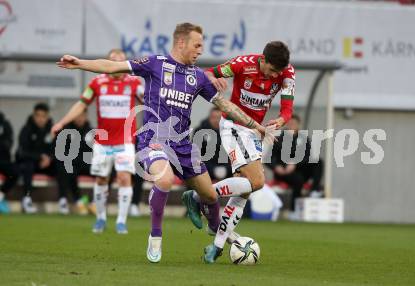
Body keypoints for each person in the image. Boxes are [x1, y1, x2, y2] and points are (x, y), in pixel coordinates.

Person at [55, 22, 272, 263]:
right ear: (181, 42)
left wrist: (255, 126)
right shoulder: (155, 64)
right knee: (165, 180)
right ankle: (155, 236)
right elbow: (112, 65)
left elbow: (225, 105)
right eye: (197, 45)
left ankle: (217, 231)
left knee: (210, 196)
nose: (201, 50)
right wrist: (80, 63)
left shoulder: (197, 76)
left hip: (183, 145)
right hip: (153, 140)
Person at [182, 41, 296, 262]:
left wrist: (281, 120)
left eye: (278, 72)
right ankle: (196, 196)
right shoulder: (242, 64)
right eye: (272, 70)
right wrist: (213, 78)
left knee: (243, 191)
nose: (275, 76)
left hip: (255, 132)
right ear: (263, 60)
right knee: (258, 182)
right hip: (234, 126)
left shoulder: (287, 73)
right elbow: (206, 74)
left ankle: (215, 247)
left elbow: (287, 108)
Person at [52, 49, 144, 234]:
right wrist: (62, 122)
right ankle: (101, 218)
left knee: (124, 177)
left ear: (125, 62)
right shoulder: (97, 82)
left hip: (125, 141)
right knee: (102, 179)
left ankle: (121, 221)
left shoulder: (134, 83)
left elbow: (150, 101)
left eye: (119, 61)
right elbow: (81, 104)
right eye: (112, 61)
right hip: (102, 142)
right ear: (107, 62)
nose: (116, 64)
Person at [269, 114, 323, 220]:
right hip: (283, 172)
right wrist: (276, 167)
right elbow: (269, 158)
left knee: (318, 162)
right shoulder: (279, 138)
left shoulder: (304, 139)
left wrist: (295, 163)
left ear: (298, 125)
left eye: (294, 124)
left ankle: (314, 190)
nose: (292, 125)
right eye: (290, 123)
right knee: (298, 180)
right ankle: (293, 211)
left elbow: (309, 156)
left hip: (299, 169)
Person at [16, 103, 55, 214]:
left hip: (46, 164)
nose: (40, 119)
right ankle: (26, 199)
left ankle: (64, 199)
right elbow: (22, 152)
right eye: (38, 115)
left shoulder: (52, 131)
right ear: (34, 116)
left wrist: (50, 158)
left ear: (47, 117)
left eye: (43, 116)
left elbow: (58, 149)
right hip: (30, 163)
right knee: (27, 166)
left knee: (63, 166)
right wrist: (40, 157)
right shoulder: (26, 130)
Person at [54, 109, 94, 215]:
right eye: (77, 115)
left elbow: (94, 152)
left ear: (86, 116)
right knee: (66, 168)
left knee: (106, 170)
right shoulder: (65, 130)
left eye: (82, 115)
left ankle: (95, 201)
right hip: (72, 163)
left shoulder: (91, 131)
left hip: (86, 163)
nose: (80, 118)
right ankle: (75, 200)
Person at [193, 107, 232, 181]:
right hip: (206, 172)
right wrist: (212, 170)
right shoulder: (200, 132)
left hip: (228, 173)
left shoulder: (231, 132)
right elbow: (196, 156)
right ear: (209, 118)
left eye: (219, 118)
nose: (216, 121)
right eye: (213, 118)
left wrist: (226, 170)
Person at [0, 112, 19, 214]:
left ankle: (0, 195)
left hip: (3, 160)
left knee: (15, 172)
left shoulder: (5, 124)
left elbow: (9, 143)